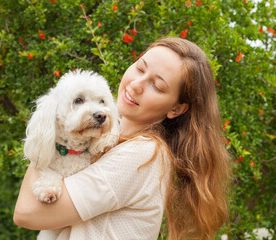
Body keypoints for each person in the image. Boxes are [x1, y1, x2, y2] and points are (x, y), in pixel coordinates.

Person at [13, 37, 231, 240]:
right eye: (140, 68)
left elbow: (26, 212)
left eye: (157, 85)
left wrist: (50, 137)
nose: (136, 84)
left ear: (176, 108)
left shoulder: (143, 154)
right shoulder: (110, 144)